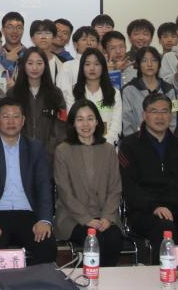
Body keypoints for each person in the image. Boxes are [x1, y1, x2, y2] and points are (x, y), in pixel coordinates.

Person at [119, 94, 178, 256]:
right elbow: (129, 185)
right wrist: (154, 207)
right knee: (165, 229)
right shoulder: (130, 145)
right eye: (154, 111)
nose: (160, 116)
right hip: (145, 212)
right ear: (144, 115)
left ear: (171, 116)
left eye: (165, 111)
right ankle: (168, 271)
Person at [0, 98, 56, 265]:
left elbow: (44, 186)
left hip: (28, 213)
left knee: (47, 247)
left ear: (23, 120)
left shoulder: (35, 147)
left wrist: (44, 220)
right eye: (6, 116)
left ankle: (30, 280)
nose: (11, 121)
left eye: (16, 116)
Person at [54, 100, 123, 268]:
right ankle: (91, 278)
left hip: (105, 215)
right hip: (72, 217)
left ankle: (105, 279)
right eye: (80, 119)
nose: (85, 124)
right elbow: (65, 192)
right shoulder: (63, 150)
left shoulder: (108, 150)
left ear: (97, 122)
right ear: (72, 123)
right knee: (95, 238)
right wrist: (86, 219)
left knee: (114, 238)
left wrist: (107, 216)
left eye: (90, 119)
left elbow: (115, 188)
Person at [9, 47, 67, 160]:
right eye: (30, 63)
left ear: (45, 66)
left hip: (49, 155)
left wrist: (51, 148)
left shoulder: (56, 93)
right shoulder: (13, 93)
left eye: (39, 63)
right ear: (24, 65)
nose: (34, 68)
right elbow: (9, 124)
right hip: (19, 153)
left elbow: (62, 123)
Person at [66, 48, 123, 144]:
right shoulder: (73, 92)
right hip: (80, 145)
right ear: (82, 67)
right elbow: (72, 121)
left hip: (107, 145)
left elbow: (116, 125)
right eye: (87, 64)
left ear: (103, 67)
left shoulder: (114, 93)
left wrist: (104, 145)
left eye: (96, 64)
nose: (92, 68)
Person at [121, 46, 177, 137]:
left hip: (165, 142)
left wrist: (164, 140)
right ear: (138, 64)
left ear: (159, 64)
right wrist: (134, 142)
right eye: (144, 60)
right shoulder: (128, 90)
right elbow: (126, 120)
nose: (149, 64)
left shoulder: (169, 89)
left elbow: (174, 117)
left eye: (154, 60)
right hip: (136, 142)